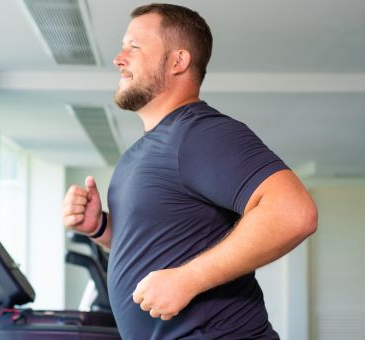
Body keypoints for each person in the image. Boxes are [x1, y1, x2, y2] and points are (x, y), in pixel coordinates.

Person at [62, 3, 318, 339]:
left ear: (177, 61)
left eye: (134, 47)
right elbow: (158, 246)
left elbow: (294, 212)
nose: (119, 58)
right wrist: (100, 227)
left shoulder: (199, 133)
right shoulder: (141, 153)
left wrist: (189, 279)